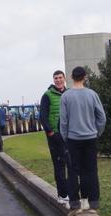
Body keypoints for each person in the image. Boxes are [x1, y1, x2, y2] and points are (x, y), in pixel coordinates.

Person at [60, 66, 106, 216]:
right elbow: (102, 117)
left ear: (71, 77)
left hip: (73, 138)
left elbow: (64, 121)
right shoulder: (92, 94)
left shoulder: (66, 96)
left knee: (73, 171)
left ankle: (75, 203)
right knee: (91, 170)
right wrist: (97, 132)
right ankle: (92, 203)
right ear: (85, 77)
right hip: (90, 137)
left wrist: (65, 137)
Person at [40, 70, 70, 205]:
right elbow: (43, 116)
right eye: (56, 78)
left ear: (64, 78)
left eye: (60, 77)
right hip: (55, 135)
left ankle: (71, 192)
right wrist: (50, 132)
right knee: (59, 165)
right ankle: (62, 194)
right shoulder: (47, 95)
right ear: (53, 80)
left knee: (71, 165)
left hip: (69, 135)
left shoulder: (69, 93)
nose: (58, 80)